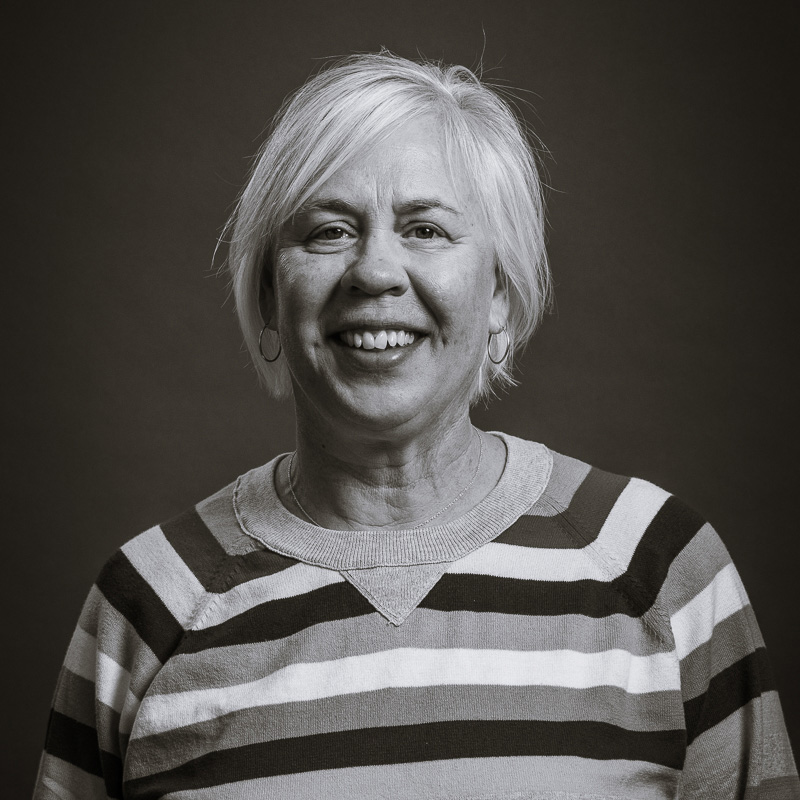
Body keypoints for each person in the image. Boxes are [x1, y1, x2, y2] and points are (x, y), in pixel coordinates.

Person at [34, 52, 798, 800]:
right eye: (329, 231)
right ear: (269, 295)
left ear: (500, 292)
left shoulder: (661, 569)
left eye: (426, 229)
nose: (374, 271)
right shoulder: (148, 601)